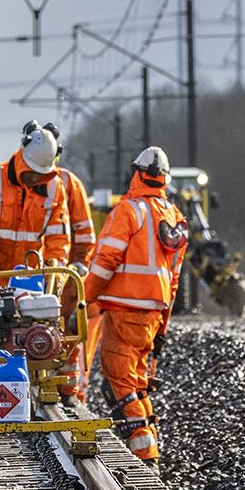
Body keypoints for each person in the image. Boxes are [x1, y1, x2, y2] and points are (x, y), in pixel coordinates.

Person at [83, 147, 188, 468]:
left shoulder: (128, 211)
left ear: (139, 173)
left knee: (119, 380)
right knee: (136, 382)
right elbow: (173, 282)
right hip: (153, 315)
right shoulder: (174, 218)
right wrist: (163, 329)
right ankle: (146, 448)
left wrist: (83, 298)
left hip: (123, 310)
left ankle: (145, 457)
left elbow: (105, 262)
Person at [22, 121, 98, 406]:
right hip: (33, 272)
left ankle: (69, 391)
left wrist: (79, 265)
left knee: (68, 328)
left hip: (64, 273)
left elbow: (84, 233)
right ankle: (35, 385)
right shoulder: (26, 182)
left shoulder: (69, 184)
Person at [0, 124, 71, 288]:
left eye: (41, 174)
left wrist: (54, 280)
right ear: (22, 160)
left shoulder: (55, 189)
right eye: (31, 171)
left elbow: (58, 241)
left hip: (32, 281)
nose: (35, 179)